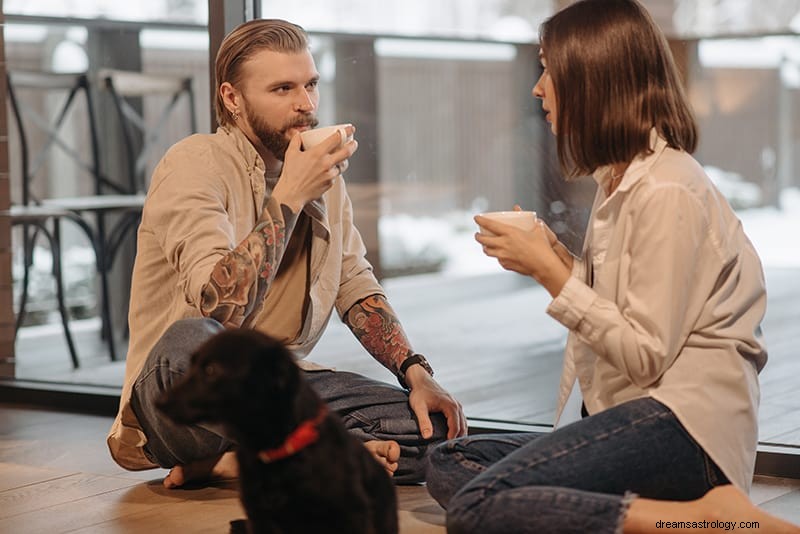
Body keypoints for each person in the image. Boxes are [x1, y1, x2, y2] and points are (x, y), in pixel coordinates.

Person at [425, 1, 800, 533]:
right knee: (451, 462)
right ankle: (666, 518)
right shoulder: (620, 179)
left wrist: (547, 273)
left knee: (478, 503)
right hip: (631, 416)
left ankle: (708, 518)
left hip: (683, 426)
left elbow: (644, 354)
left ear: (591, 78)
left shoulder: (668, 189)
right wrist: (554, 254)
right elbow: (623, 310)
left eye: (548, 69)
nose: (538, 88)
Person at [106, 18, 466, 489]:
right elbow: (219, 306)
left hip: (278, 387)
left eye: (311, 84)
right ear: (232, 98)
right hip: (183, 396)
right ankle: (304, 450)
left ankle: (248, 460)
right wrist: (291, 196)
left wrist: (415, 372)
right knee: (190, 341)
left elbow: (354, 283)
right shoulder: (194, 163)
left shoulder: (324, 177)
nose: (306, 105)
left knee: (433, 433)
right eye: (282, 89)